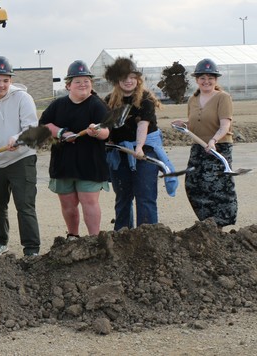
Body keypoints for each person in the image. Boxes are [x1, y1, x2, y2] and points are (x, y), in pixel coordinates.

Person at [0, 57, 40, 256]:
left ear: (10, 80)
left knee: (24, 205)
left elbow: (31, 127)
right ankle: (0, 242)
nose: (1, 85)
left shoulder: (23, 98)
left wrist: (17, 138)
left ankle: (31, 249)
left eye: (5, 80)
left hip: (22, 158)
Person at [104, 57, 177, 231]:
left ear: (137, 79)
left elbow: (143, 125)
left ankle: (148, 234)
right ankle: (122, 234)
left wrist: (138, 148)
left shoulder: (145, 99)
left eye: (132, 77)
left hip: (145, 150)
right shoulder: (109, 100)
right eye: (123, 77)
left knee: (145, 195)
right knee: (123, 196)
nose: (128, 81)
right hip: (120, 151)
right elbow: (106, 127)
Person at [38, 60, 109, 238]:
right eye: (78, 81)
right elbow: (44, 125)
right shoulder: (58, 105)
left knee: (89, 202)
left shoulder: (97, 105)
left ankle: (94, 239)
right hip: (63, 163)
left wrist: (96, 131)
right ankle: (73, 236)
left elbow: (107, 132)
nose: (83, 84)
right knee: (68, 205)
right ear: (68, 85)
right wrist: (61, 132)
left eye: (86, 81)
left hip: (90, 163)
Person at [171, 58, 238, 227]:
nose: (206, 81)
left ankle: (220, 224)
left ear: (216, 80)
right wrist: (184, 124)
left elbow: (225, 125)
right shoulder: (193, 99)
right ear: (197, 79)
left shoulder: (223, 98)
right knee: (193, 183)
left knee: (216, 186)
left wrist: (214, 141)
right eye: (202, 77)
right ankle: (207, 223)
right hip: (198, 146)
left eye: (210, 77)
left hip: (219, 147)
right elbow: (194, 124)